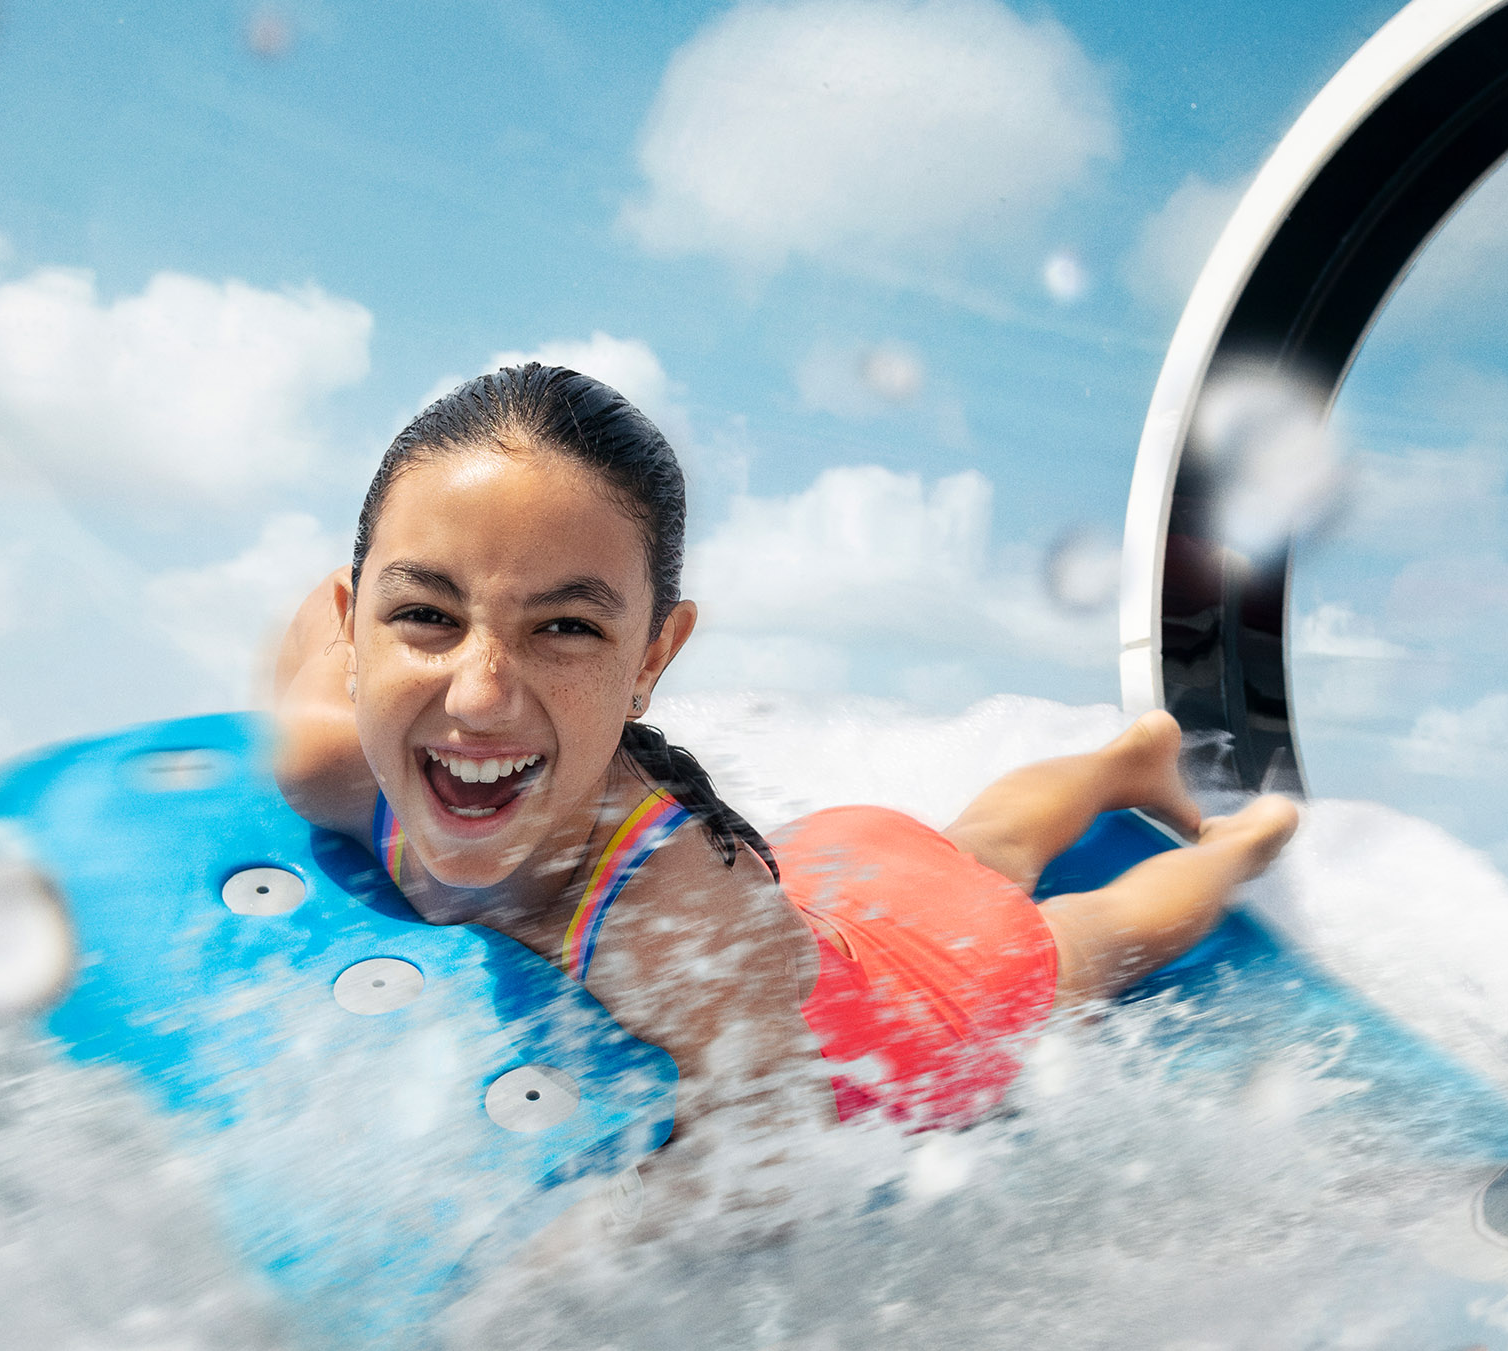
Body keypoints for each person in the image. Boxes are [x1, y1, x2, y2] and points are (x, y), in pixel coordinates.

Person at [269, 363, 1298, 1194]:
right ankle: (1124, 757)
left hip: (923, 1012)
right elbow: (314, 645)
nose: (478, 696)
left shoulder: (681, 924)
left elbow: (764, 1165)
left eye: (566, 629)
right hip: (839, 876)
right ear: (357, 625)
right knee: (975, 852)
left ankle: (1240, 844)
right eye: (425, 616)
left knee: (1087, 943)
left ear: (651, 662)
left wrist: (542, 1276)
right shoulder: (330, 750)